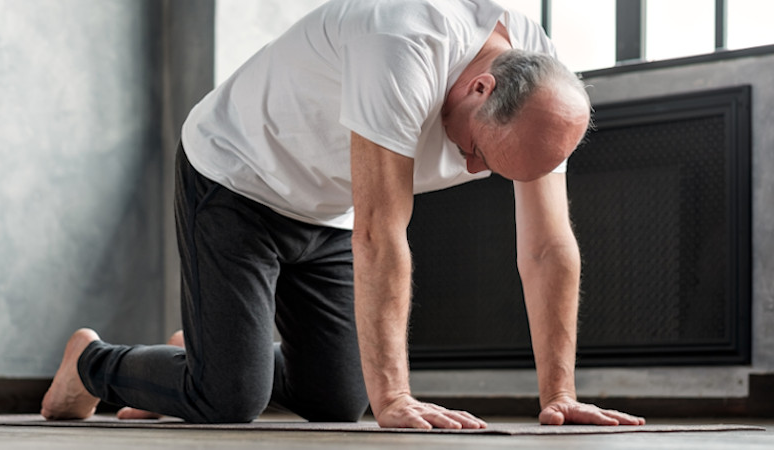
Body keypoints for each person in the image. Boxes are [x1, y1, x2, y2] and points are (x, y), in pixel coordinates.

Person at [41, 0, 645, 429]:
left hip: (326, 205)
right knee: (228, 402)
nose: (472, 169)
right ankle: (93, 362)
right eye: (477, 153)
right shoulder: (403, 43)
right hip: (237, 176)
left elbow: (546, 246)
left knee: (334, 399)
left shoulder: (544, 93)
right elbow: (382, 232)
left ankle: (203, 355)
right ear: (478, 88)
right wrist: (398, 398)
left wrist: (560, 393)